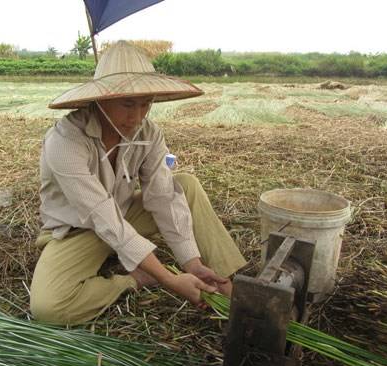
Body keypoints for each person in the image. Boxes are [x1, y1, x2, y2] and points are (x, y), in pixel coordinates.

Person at [30, 41, 247, 325]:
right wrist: (168, 279)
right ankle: (133, 278)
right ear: (101, 99)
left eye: (146, 104)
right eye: (128, 104)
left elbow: (162, 197)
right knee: (48, 308)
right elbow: (101, 215)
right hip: (79, 231)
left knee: (186, 185)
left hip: (123, 215)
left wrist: (190, 262)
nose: (137, 116)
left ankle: (225, 284)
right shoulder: (66, 141)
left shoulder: (148, 133)